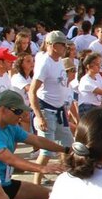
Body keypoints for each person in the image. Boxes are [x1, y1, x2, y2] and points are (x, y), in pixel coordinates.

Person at [30, 31, 73, 184]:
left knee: (68, 145)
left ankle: (67, 177)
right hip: (46, 110)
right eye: (63, 45)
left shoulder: (59, 60)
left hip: (59, 109)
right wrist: (39, 116)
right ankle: (36, 182)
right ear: (54, 46)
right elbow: (32, 91)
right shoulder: (45, 63)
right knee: (46, 150)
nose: (65, 48)